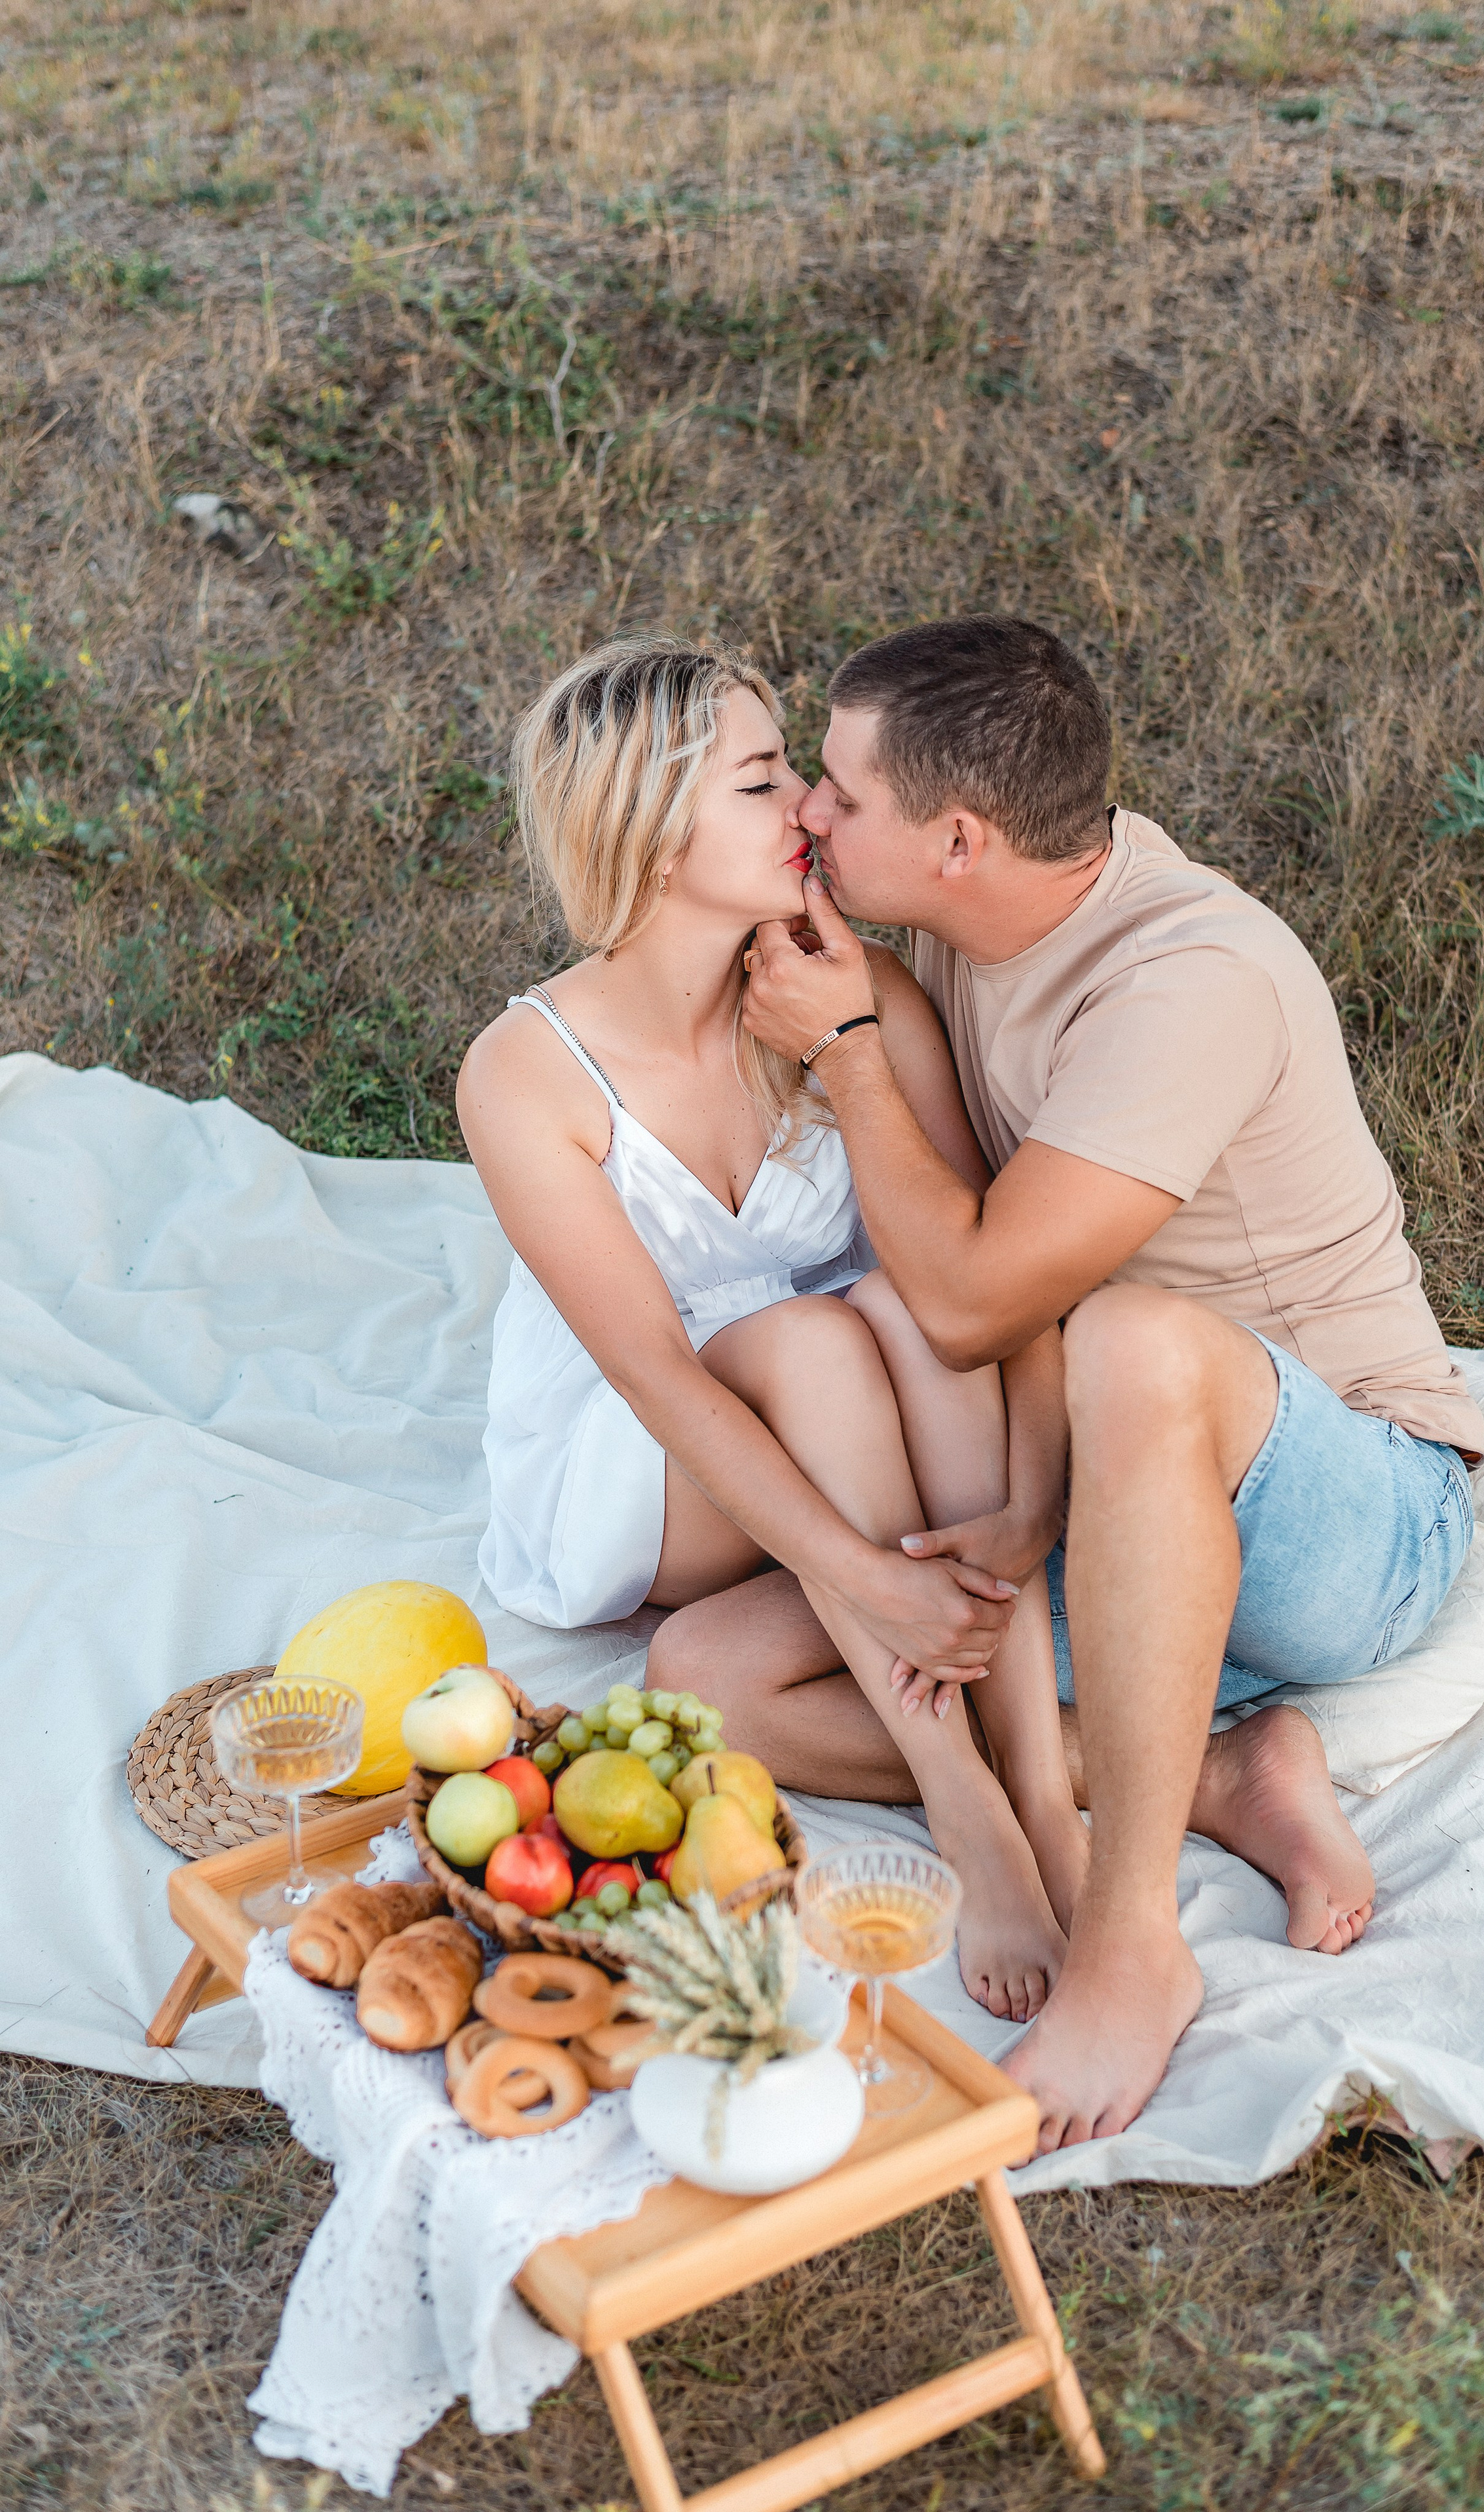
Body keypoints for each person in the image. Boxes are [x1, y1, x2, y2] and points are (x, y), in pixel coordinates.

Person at [737, 614, 1484, 2154]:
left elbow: (965, 1301)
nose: (809, 813)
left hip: (1347, 1514)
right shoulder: (962, 913)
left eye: (836, 790)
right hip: (1114, 1493)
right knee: (715, 1683)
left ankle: (1130, 1937)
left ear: (959, 838)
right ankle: (1216, 1766)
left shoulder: (1188, 977)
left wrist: (851, 1058)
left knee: (1130, 1338)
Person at [456, 633, 1089, 2025]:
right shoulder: (524, 1075)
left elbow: (989, 1291)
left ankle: (1061, 1784)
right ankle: (975, 1806)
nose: (808, 803)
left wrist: (1029, 1513)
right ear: (647, 825)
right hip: (651, 1467)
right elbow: (654, 1382)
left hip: (875, 1438)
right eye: (761, 779)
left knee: (714, 1681)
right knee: (819, 1339)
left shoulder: (847, 989)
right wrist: (868, 1577)